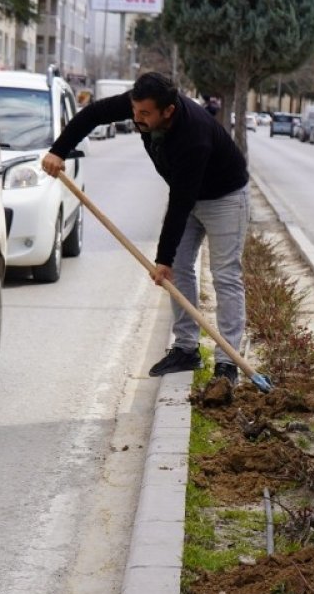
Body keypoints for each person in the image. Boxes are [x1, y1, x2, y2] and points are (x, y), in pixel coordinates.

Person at [40, 72, 250, 384]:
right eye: (134, 111)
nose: (136, 118)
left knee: (225, 276)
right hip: (187, 194)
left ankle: (226, 364)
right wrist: (59, 150)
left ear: (168, 111)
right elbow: (93, 115)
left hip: (224, 198)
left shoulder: (194, 136)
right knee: (180, 269)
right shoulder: (140, 106)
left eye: (144, 114)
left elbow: (180, 202)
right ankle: (186, 348)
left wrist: (161, 259)